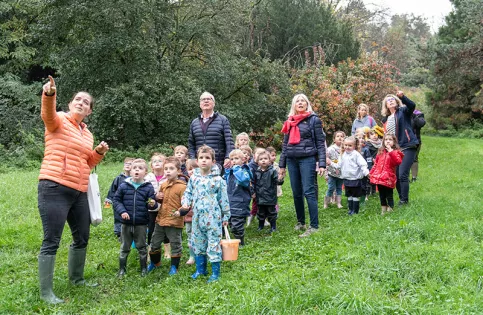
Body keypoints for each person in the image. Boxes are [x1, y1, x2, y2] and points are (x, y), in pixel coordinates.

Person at [37, 76, 109, 304]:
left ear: (89, 111)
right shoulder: (58, 119)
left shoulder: (87, 134)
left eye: (86, 102)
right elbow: (47, 114)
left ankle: (76, 278)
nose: (81, 103)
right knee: (52, 239)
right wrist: (49, 95)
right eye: (78, 99)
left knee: (82, 237)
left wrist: (97, 153)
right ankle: (46, 292)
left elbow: (87, 163)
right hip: (54, 186)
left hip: (78, 190)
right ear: (70, 104)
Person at [279, 94, 326, 237]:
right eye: (297, 101)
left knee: (309, 192)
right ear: (293, 105)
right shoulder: (290, 121)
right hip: (292, 160)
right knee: (296, 193)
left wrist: (322, 163)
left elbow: (320, 143)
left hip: (307, 159)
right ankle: (301, 222)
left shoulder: (314, 120)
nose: (300, 103)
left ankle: (314, 226)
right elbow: (285, 145)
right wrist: (282, 165)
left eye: (302, 101)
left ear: (307, 104)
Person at [181, 145, 230, 283]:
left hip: (213, 218)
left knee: (214, 243)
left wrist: (225, 216)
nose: (204, 160)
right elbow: (188, 192)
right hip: (197, 217)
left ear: (213, 162)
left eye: (207, 158)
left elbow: (223, 199)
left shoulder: (218, 180)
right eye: (201, 158)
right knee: (198, 242)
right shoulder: (194, 178)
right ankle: (201, 270)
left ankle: (215, 273)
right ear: (197, 161)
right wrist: (185, 202)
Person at [114, 159, 158, 277]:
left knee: (142, 247)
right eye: (134, 168)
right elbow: (117, 200)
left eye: (140, 168)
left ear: (145, 172)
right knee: (124, 247)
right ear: (131, 170)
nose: (137, 170)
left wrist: (153, 204)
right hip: (126, 223)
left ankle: (143, 269)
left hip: (141, 223)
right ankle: (122, 270)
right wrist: (122, 211)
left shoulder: (148, 187)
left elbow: (151, 202)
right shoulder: (124, 185)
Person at [148, 157, 188, 275]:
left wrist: (180, 212)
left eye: (171, 168)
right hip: (160, 220)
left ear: (178, 171)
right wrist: (156, 199)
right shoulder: (163, 185)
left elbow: (186, 204)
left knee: (175, 244)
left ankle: (174, 267)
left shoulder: (182, 187)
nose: (168, 171)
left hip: (174, 221)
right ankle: (155, 263)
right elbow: (161, 201)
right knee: (154, 242)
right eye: (166, 169)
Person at [381, 91, 419, 205]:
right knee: (396, 176)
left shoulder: (403, 111)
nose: (391, 101)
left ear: (397, 102)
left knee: (402, 174)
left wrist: (403, 97)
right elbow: (387, 135)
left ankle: (404, 200)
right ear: (386, 105)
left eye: (393, 99)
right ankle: (402, 197)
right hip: (394, 149)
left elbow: (412, 105)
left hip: (407, 146)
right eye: (388, 100)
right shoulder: (386, 119)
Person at [188, 92, 234, 172]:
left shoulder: (223, 120)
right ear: (200, 104)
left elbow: (229, 141)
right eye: (203, 99)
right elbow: (191, 144)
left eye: (209, 99)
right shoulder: (194, 122)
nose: (206, 101)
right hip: (200, 164)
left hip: (218, 163)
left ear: (214, 103)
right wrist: (192, 159)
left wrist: (228, 157)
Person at [327, 136, 369, 215]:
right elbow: (338, 165)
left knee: (355, 195)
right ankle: (350, 210)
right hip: (347, 179)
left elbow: (363, 164)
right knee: (349, 195)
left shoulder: (356, 154)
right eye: (346, 145)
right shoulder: (342, 155)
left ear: (354, 146)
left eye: (350, 145)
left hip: (355, 179)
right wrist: (331, 163)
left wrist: (366, 173)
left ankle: (355, 211)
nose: (347, 147)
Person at [370, 134, 404, 215]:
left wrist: (391, 152)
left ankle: (390, 208)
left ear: (394, 142)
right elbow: (376, 163)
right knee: (381, 194)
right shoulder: (380, 151)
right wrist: (371, 173)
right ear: (383, 141)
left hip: (389, 178)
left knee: (389, 194)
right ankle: (383, 209)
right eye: (386, 139)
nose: (388, 141)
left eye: (390, 140)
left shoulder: (396, 152)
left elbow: (398, 162)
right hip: (379, 177)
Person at [144, 153, 170, 257]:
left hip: (165, 208)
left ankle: (167, 251)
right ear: (151, 166)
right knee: (151, 229)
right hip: (151, 209)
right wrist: (154, 198)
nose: (157, 163)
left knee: (165, 228)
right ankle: (150, 251)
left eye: (160, 161)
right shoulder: (147, 178)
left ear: (164, 164)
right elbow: (144, 192)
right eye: (155, 161)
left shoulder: (168, 177)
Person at [225, 149, 252, 246]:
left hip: (240, 202)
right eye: (232, 159)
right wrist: (227, 170)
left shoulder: (245, 170)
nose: (234, 161)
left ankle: (240, 242)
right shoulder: (232, 171)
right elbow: (227, 182)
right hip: (231, 201)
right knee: (231, 223)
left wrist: (236, 169)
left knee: (237, 224)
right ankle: (236, 238)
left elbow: (244, 180)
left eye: (236, 158)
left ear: (243, 160)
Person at [105, 157, 134, 242]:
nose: (128, 165)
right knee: (118, 217)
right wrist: (109, 200)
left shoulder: (135, 179)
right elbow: (112, 190)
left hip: (129, 202)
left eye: (130, 164)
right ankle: (119, 233)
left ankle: (129, 232)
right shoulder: (119, 178)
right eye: (126, 163)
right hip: (118, 202)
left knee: (128, 216)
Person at [254, 150, 281, 232]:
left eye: (265, 158)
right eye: (261, 159)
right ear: (258, 162)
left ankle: (273, 226)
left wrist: (281, 179)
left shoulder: (272, 171)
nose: (263, 160)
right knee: (261, 212)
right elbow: (254, 183)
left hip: (270, 196)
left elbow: (277, 181)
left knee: (271, 212)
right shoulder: (257, 172)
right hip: (260, 197)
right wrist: (253, 192)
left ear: (269, 161)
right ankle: (261, 225)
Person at [325, 131, 345, 209]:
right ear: (334, 139)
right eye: (338, 136)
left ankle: (338, 203)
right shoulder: (330, 149)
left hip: (341, 173)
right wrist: (326, 173)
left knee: (339, 188)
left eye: (342, 136)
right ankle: (326, 203)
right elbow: (326, 160)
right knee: (331, 188)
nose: (340, 138)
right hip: (331, 172)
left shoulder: (345, 149)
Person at [184, 159, 198, 264]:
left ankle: (202, 254)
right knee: (190, 235)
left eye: (195, 168)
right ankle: (192, 256)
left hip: (202, 215)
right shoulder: (185, 184)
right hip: (189, 215)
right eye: (190, 169)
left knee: (201, 235)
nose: (192, 171)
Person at [365, 128, 383, 195]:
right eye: (372, 134)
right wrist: (372, 159)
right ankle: (368, 192)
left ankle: (374, 191)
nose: (374, 136)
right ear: (368, 136)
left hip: (378, 162)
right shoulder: (368, 144)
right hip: (370, 162)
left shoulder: (380, 143)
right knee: (369, 177)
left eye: (376, 134)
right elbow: (367, 154)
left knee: (376, 177)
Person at [410, 110, 426, 182]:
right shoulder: (400, 112)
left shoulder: (418, 114)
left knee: (414, 158)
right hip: (402, 140)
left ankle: (414, 177)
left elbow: (421, 124)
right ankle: (404, 178)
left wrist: (413, 115)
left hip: (415, 141)